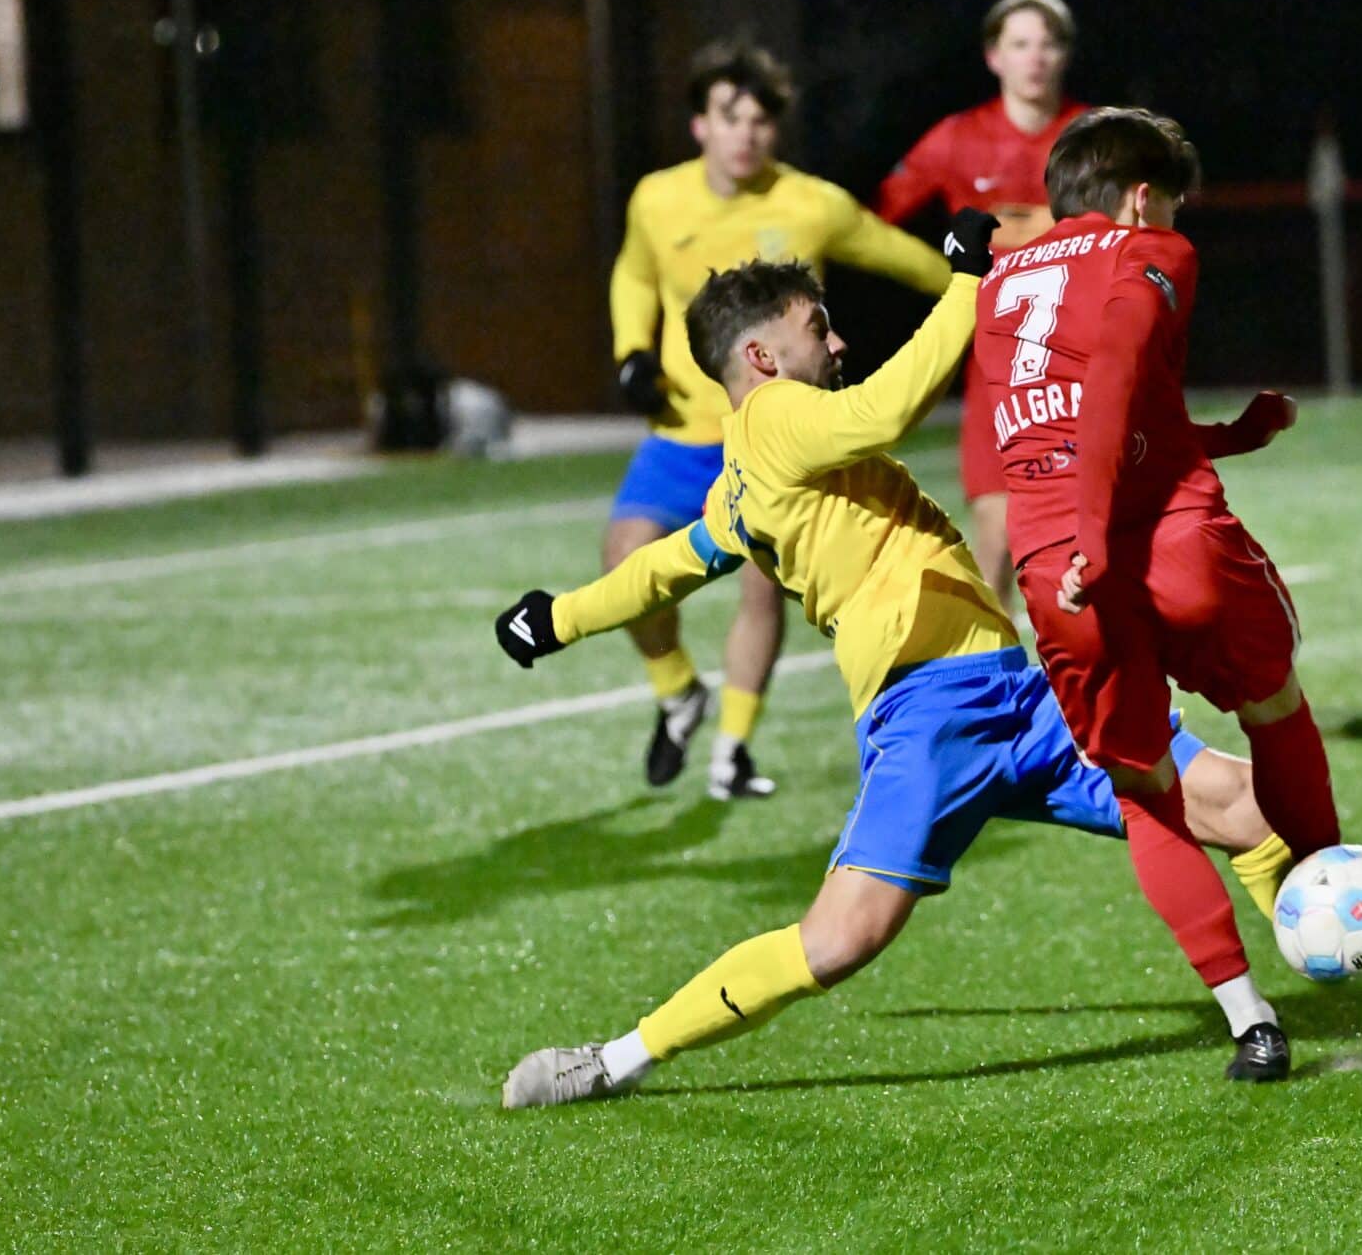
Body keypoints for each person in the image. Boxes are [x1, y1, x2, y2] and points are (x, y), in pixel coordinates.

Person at [494, 217, 1301, 1105]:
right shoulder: (773, 417)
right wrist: (965, 283)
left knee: (1239, 806)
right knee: (837, 940)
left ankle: (1344, 990)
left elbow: (663, 566)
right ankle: (612, 1060)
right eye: (817, 327)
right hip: (930, 716)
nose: (838, 342)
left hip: (1016, 692)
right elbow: (886, 409)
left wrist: (557, 618)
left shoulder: (743, 484)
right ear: (761, 357)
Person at [972, 106, 1362, 1067]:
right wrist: (1104, 539)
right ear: (1142, 197)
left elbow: (1070, 424)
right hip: (1163, 542)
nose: (1177, 223)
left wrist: (1225, 436)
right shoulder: (1150, 249)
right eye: (1173, 205)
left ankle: (1253, 1026)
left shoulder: (999, 286)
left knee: (1146, 794)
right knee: (1275, 712)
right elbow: (1110, 378)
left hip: (1053, 572)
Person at [607, 40, 953, 800]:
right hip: (684, 429)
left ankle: (731, 747)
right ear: (700, 124)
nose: (746, 133)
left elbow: (902, 256)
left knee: (763, 589)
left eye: (760, 120)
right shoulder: (656, 199)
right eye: (730, 116)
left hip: (779, 438)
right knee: (623, 562)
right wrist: (632, 350)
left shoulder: (811, 204)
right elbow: (633, 271)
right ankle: (677, 691)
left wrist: (986, 281)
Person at [879, 0, 1090, 609]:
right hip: (996, 371)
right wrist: (940, 275)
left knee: (1083, 562)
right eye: (1020, 44)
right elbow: (874, 220)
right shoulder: (957, 139)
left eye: (1047, 43)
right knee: (996, 549)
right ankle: (998, 673)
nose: (1035, 58)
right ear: (994, 56)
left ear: (1065, 54)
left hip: (1083, 369)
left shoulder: (1093, 138)